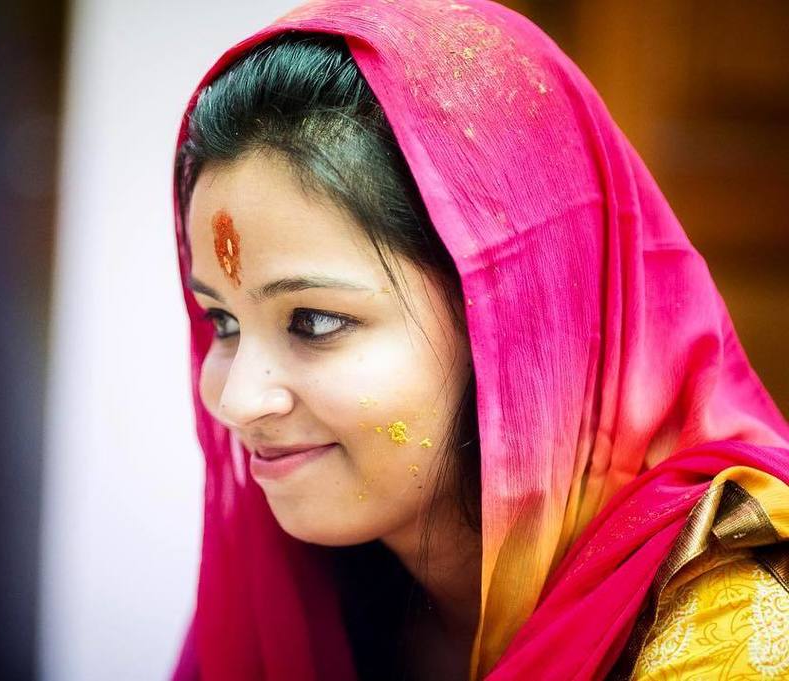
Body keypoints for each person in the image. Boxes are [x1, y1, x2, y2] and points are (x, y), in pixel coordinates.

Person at [167, 1, 789, 679]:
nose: (237, 398)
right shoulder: (292, 587)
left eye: (313, 321)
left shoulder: (735, 630)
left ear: (509, 325)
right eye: (222, 322)